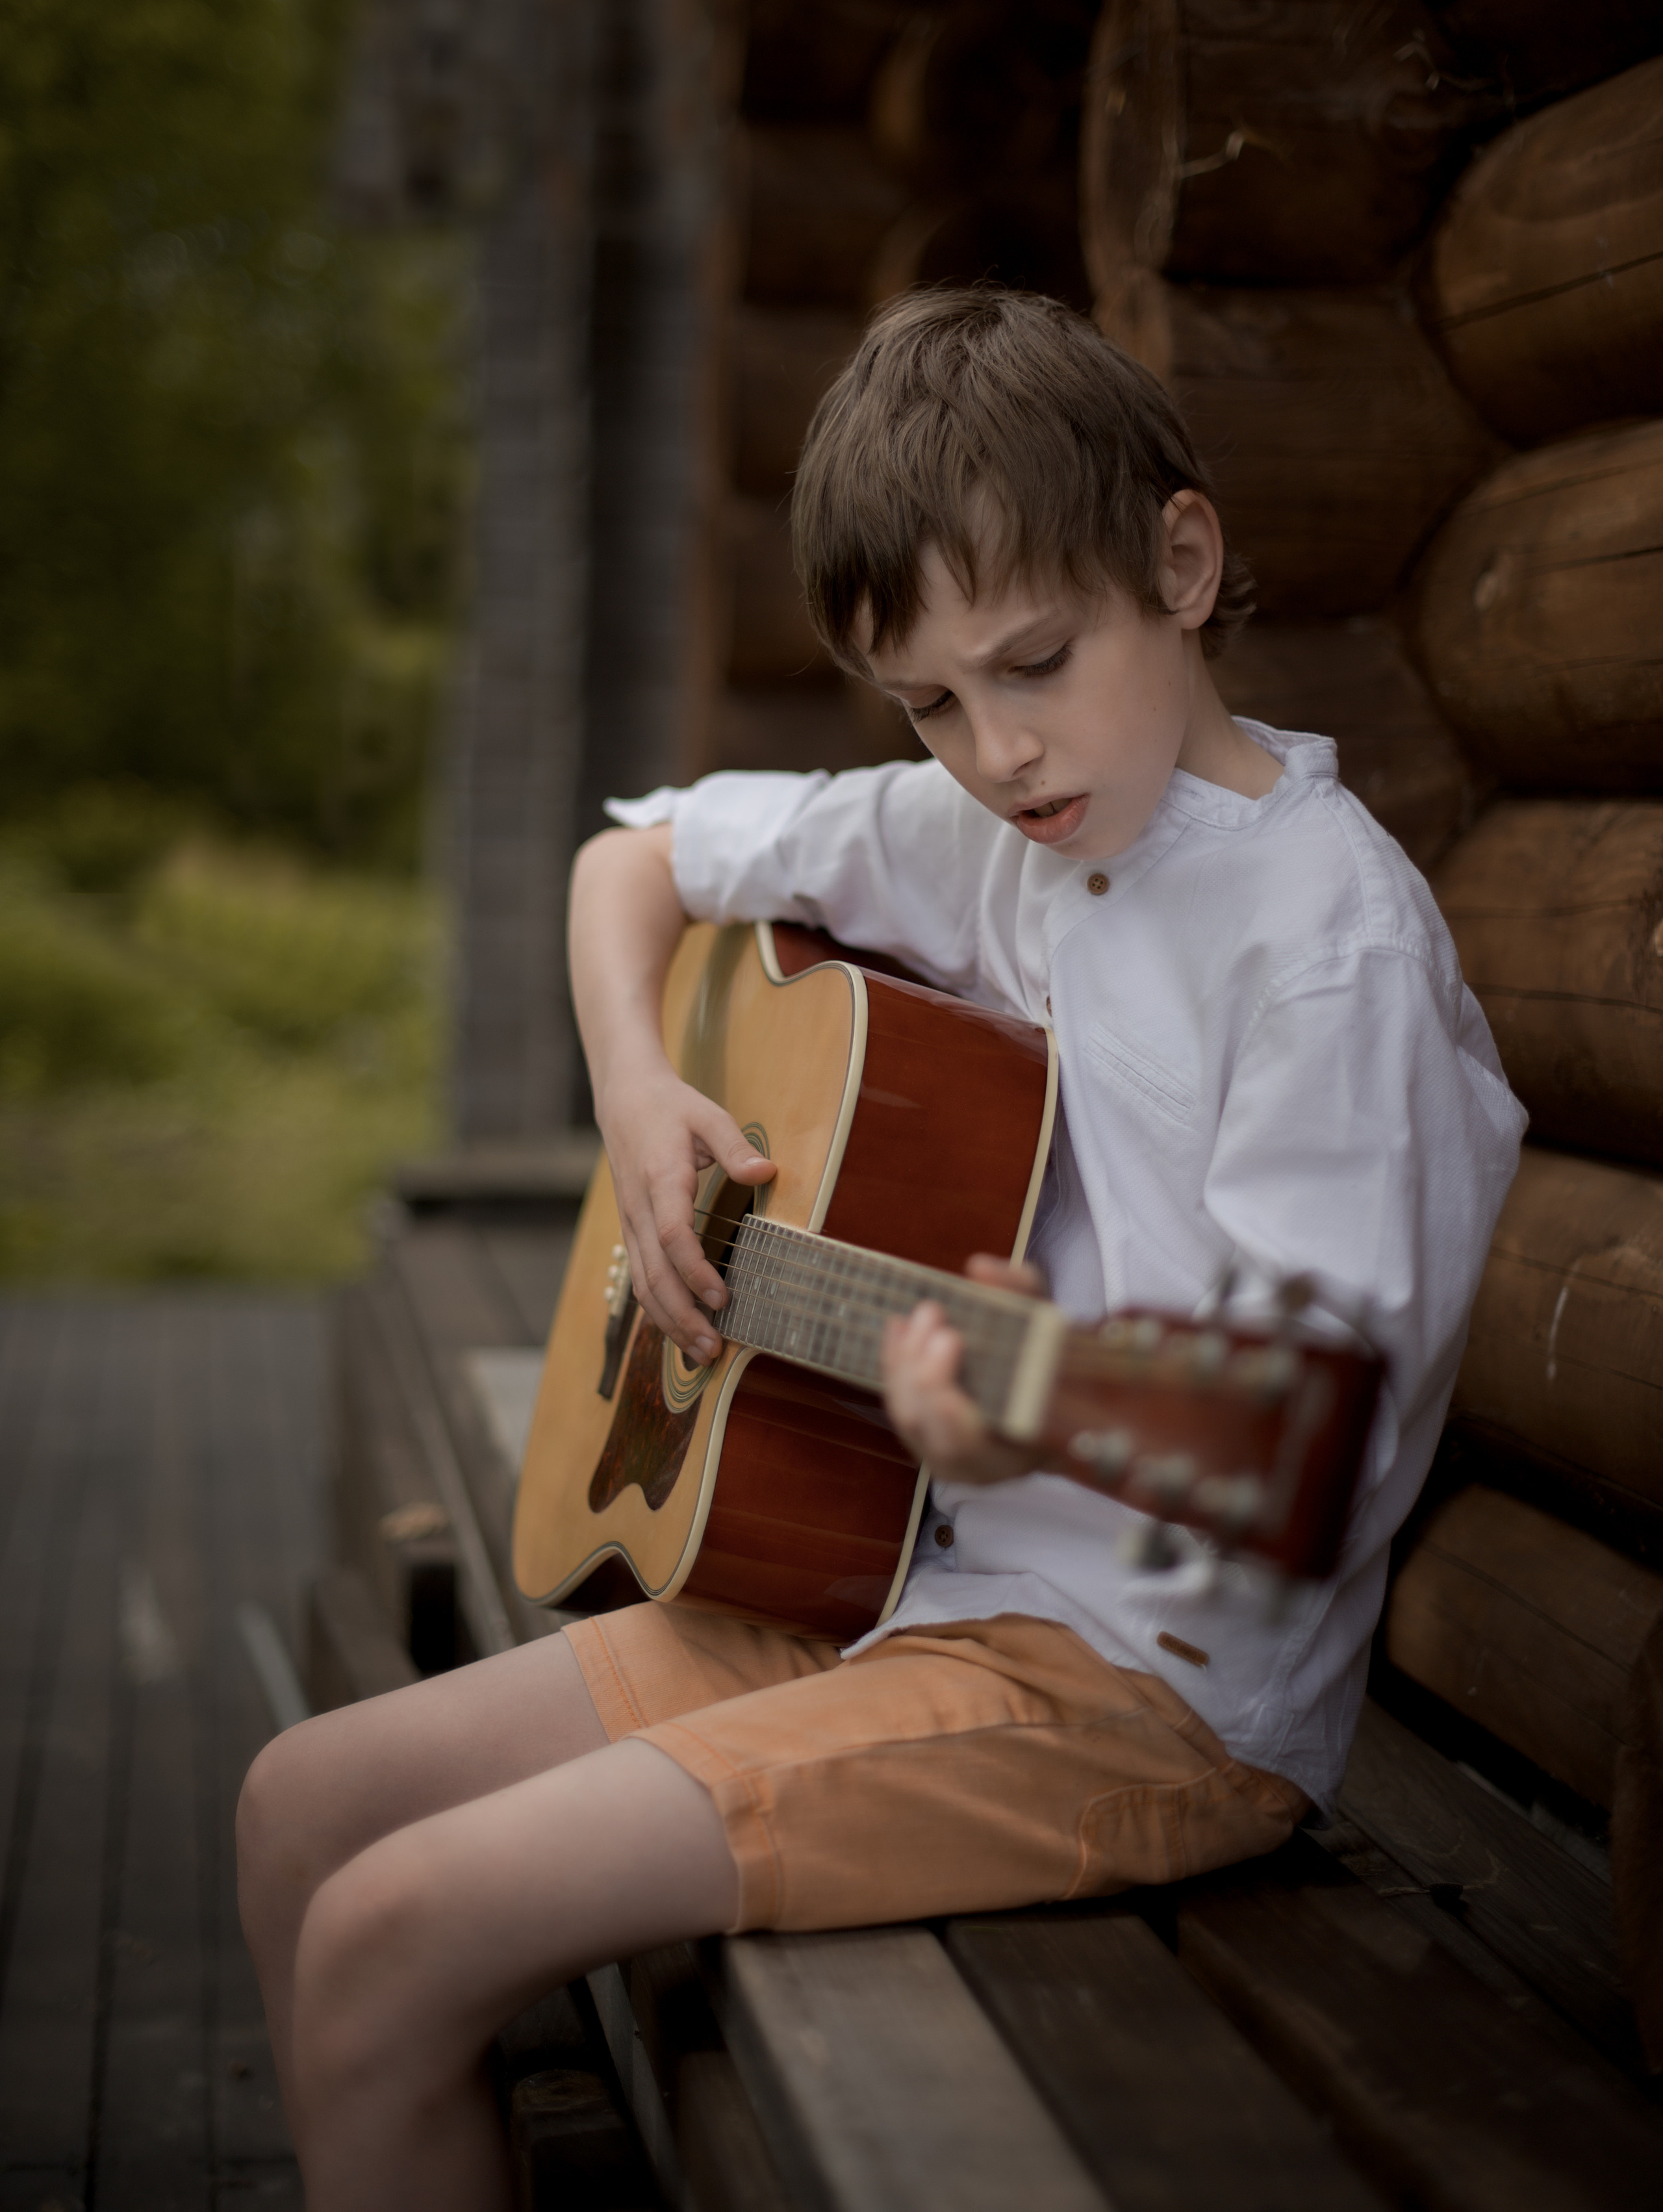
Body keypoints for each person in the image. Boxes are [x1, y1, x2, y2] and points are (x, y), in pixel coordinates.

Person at [237, 287, 1525, 2209]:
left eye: (1035, 662)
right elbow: (637, 862)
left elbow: (1307, 1449)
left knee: (389, 1931)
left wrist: (1037, 1415)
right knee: (299, 1807)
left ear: (1183, 561)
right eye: (930, 702)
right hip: (895, 1575)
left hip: (1140, 1688)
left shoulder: (1325, 946)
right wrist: (640, 1098)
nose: (996, 751)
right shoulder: (991, 828)